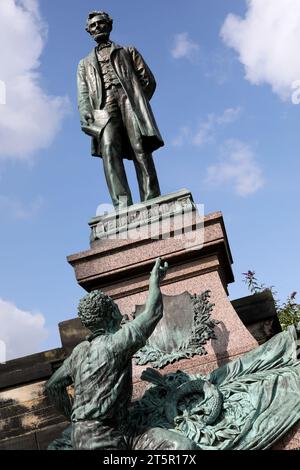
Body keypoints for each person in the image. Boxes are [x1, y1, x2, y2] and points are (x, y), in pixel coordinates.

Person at [46, 258, 197, 450]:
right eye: (117, 308)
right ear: (111, 314)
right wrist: (154, 280)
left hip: (126, 431)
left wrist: (76, 419)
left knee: (181, 447)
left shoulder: (79, 352)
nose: (120, 312)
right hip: (98, 440)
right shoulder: (116, 343)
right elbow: (152, 313)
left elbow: (52, 386)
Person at [77, 11, 164, 209]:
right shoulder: (84, 64)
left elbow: (148, 81)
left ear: (109, 25)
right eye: (93, 25)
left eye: (100, 23)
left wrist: (138, 101)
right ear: (88, 31)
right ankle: (122, 205)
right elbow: (83, 94)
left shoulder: (128, 51)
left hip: (129, 101)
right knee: (108, 148)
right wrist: (85, 112)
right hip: (104, 108)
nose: (97, 27)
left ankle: (151, 199)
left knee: (140, 148)